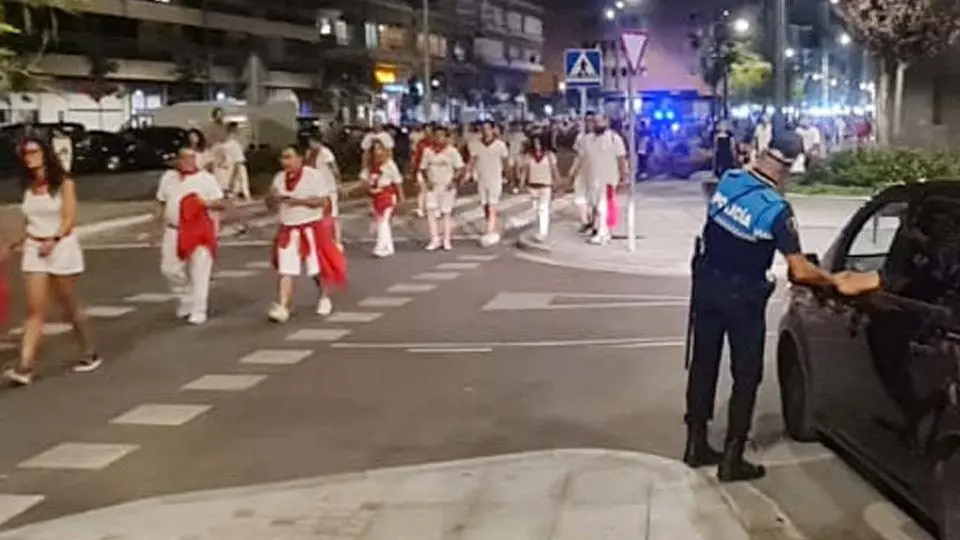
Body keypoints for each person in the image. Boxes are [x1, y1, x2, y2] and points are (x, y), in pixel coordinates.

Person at [682, 133, 875, 482]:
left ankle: (695, 443)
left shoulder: (730, 179)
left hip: (706, 285)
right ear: (790, 166)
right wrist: (833, 281)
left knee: (704, 362)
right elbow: (799, 270)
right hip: (743, 296)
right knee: (746, 374)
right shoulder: (776, 209)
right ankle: (732, 458)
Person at [2, 137, 102, 385]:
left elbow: (69, 218)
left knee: (69, 305)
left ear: (45, 153)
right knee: (35, 309)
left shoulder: (64, 183)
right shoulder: (28, 185)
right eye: (25, 154)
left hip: (61, 247)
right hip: (35, 247)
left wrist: (54, 239)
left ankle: (89, 349)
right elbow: (29, 222)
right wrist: (11, 244)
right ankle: (25, 366)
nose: (29, 157)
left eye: (34, 152)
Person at [267, 145, 342, 323]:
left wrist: (298, 201)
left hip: (310, 227)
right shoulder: (279, 178)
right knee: (286, 270)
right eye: (283, 158)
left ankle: (324, 296)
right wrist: (272, 198)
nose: (285, 161)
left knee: (315, 268)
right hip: (288, 229)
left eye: (289, 157)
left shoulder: (313, 176)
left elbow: (323, 201)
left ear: (299, 158)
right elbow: (270, 203)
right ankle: (284, 305)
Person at [154, 147, 223, 325]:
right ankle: (186, 298)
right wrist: (155, 227)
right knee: (169, 269)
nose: (187, 161)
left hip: (199, 230)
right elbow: (161, 202)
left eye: (191, 157)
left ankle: (199, 309)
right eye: (184, 158)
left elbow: (219, 202)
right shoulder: (168, 178)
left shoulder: (206, 179)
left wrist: (204, 203)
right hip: (173, 229)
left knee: (200, 271)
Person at [569, 114, 627, 245]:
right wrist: (573, 172)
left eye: (599, 121)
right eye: (595, 122)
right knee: (595, 206)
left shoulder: (614, 138)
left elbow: (621, 158)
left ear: (606, 122)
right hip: (592, 178)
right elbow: (581, 157)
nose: (596, 124)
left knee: (603, 206)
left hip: (609, 179)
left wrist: (624, 176)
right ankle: (601, 231)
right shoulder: (587, 140)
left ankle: (602, 233)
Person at [418, 126, 465, 251]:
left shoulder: (452, 151)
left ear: (446, 137)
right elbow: (422, 168)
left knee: (446, 213)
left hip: (447, 186)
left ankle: (446, 240)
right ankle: (434, 239)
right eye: (437, 135)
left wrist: (454, 180)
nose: (439, 138)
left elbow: (460, 168)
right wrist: (427, 182)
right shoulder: (427, 151)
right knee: (431, 213)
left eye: (442, 135)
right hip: (433, 186)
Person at [467, 120, 509, 247]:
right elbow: (472, 160)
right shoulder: (476, 145)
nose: (486, 131)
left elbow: (505, 161)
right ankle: (490, 225)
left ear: (493, 130)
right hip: (482, 179)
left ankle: (490, 231)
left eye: (488, 128)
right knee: (485, 205)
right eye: (483, 129)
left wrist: (507, 175)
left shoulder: (500, 145)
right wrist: (468, 172)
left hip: (495, 178)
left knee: (492, 205)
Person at [362, 139, 404, 258]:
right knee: (380, 221)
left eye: (380, 148)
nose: (378, 152)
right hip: (375, 197)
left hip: (388, 195)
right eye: (375, 149)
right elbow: (364, 180)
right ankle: (388, 247)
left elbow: (398, 181)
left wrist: (402, 198)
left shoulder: (389, 164)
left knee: (384, 221)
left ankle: (380, 247)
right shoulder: (370, 166)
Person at [519, 134, 561, 241]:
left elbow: (554, 169)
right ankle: (538, 229)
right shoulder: (529, 156)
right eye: (535, 143)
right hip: (533, 186)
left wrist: (558, 182)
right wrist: (521, 183)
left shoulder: (549, 155)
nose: (537, 145)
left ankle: (543, 232)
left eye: (539, 143)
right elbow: (525, 171)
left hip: (546, 186)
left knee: (543, 209)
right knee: (536, 209)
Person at [305, 133, 343, 248]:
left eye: (312, 141)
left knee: (333, 215)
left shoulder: (325, 153)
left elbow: (334, 169)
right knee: (318, 216)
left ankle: (337, 241)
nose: (310, 144)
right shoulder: (310, 153)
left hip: (329, 188)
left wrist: (338, 183)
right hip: (317, 189)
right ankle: (323, 239)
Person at [409, 123, 436, 218]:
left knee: (434, 190)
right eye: (426, 131)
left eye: (430, 131)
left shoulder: (436, 143)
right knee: (422, 189)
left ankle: (434, 209)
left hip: (435, 170)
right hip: (422, 169)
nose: (428, 133)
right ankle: (421, 209)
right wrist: (414, 169)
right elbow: (416, 157)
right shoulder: (421, 143)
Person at [219, 122, 250, 201]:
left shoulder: (234, 144)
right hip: (229, 171)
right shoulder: (224, 145)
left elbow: (238, 162)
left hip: (236, 171)